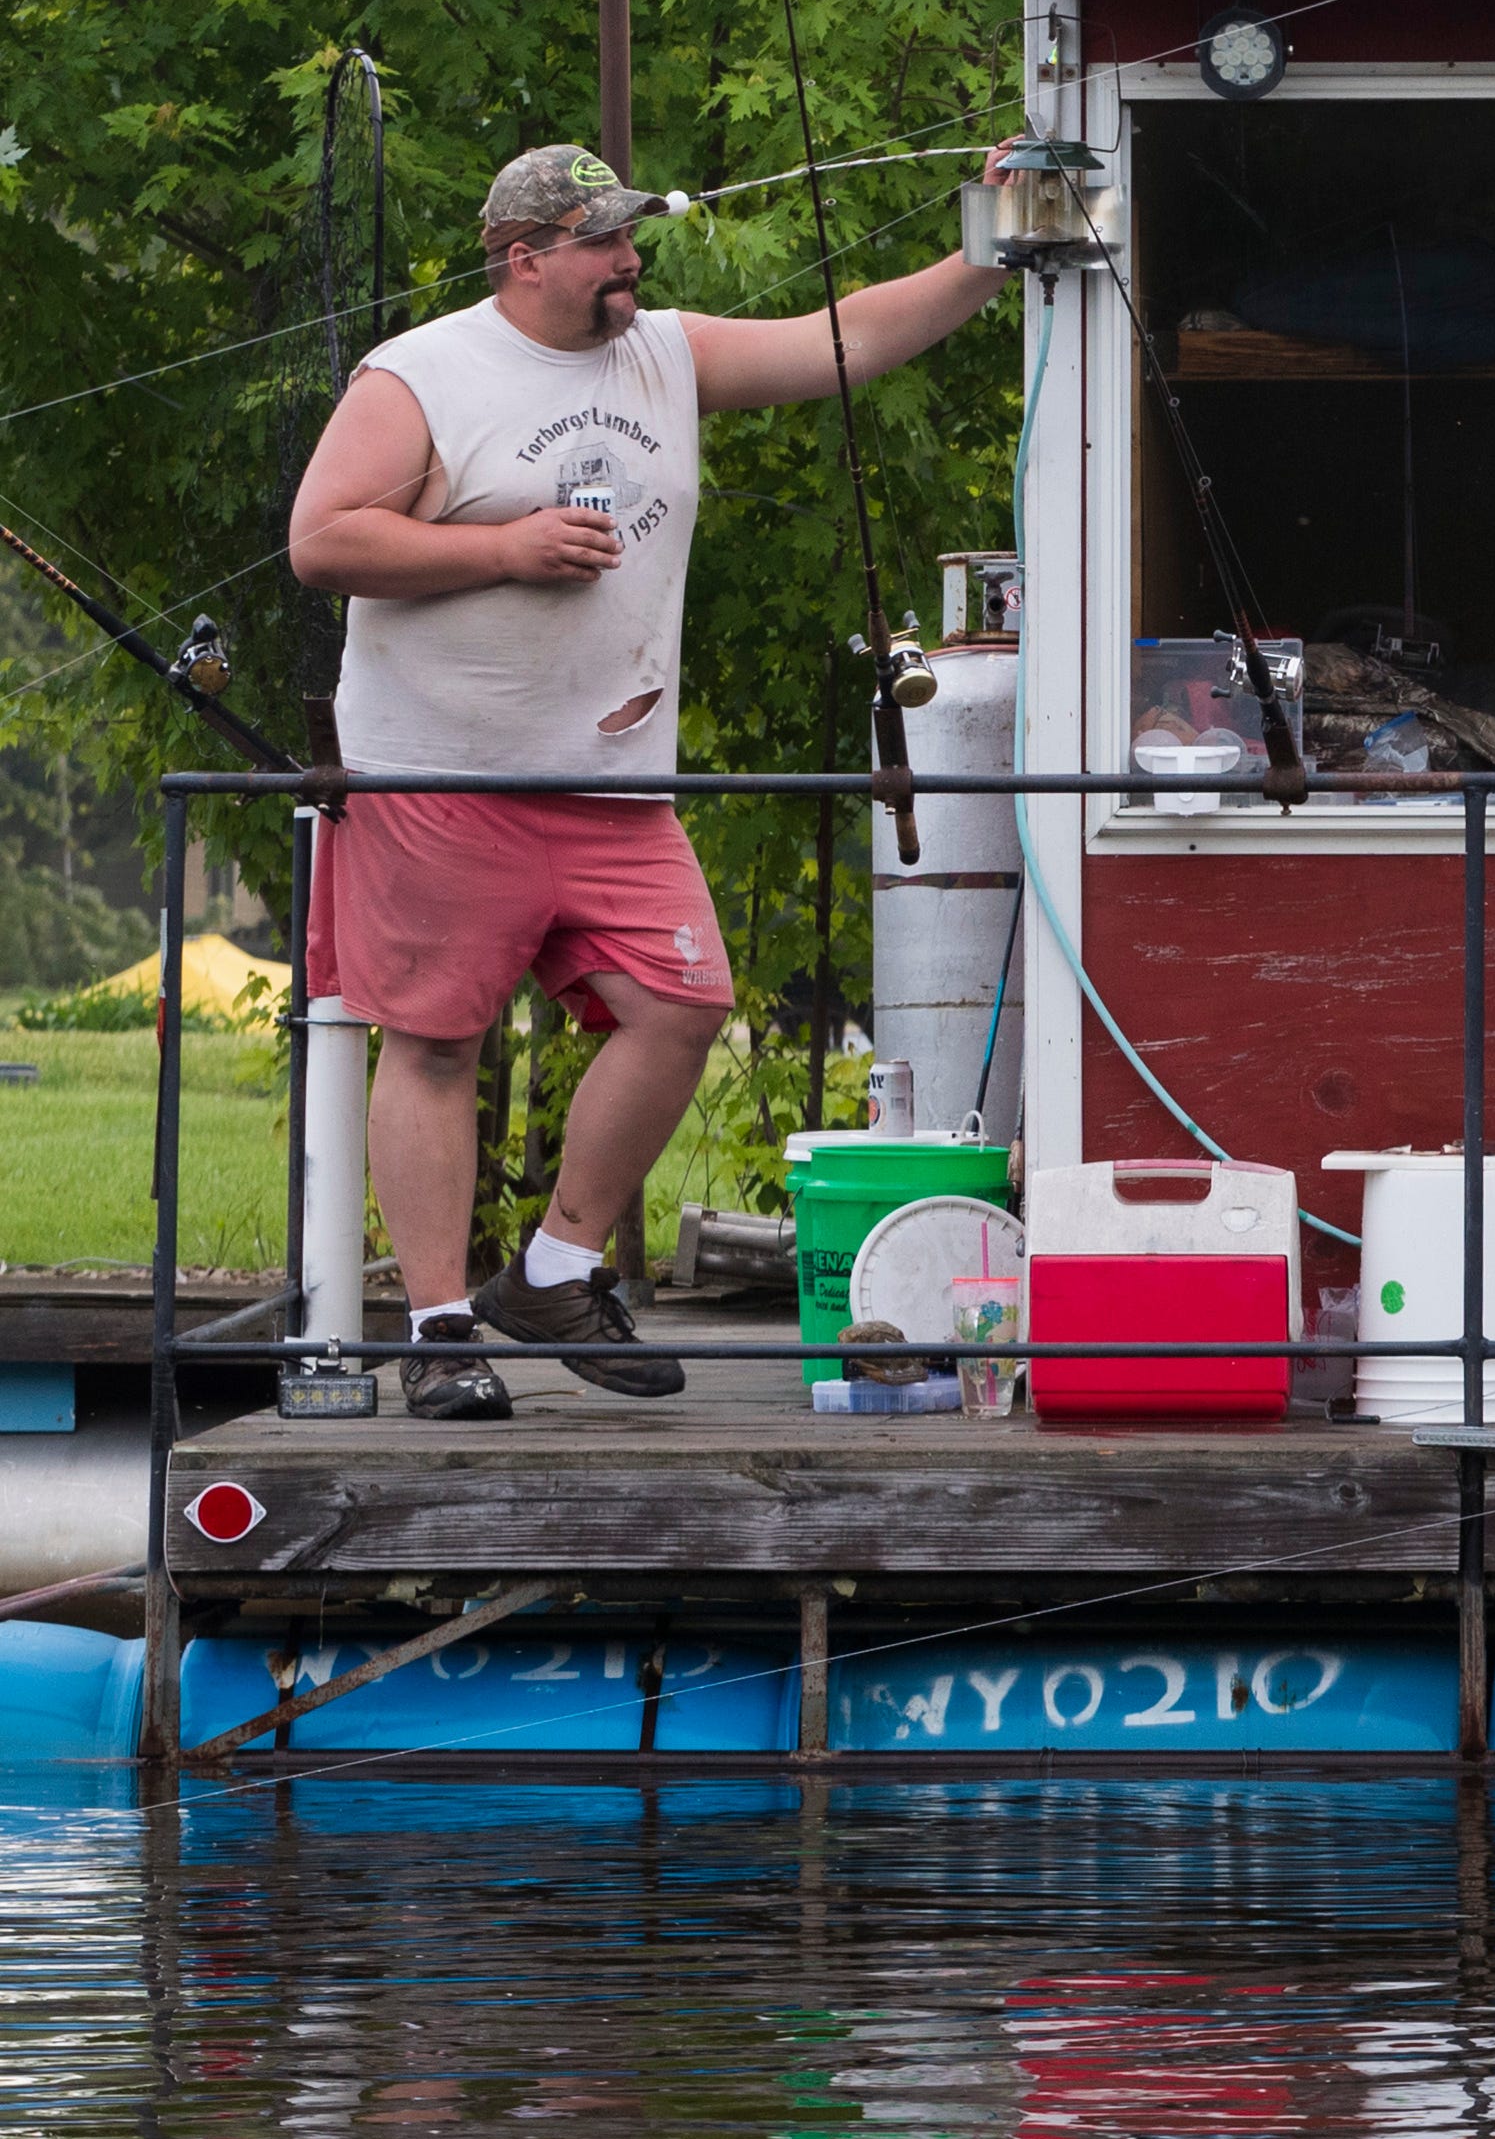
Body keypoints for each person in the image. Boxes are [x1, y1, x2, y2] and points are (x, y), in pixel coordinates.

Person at [287, 144, 1013, 1420]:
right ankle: (441, 1330)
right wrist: (504, 547)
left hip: (616, 778)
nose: (630, 260)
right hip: (440, 772)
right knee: (439, 1041)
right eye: (602, 240)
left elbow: (834, 342)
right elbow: (324, 538)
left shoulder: (662, 351)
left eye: (630, 236)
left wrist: (986, 252)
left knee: (683, 1005)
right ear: (523, 257)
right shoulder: (422, 374)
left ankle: (556, 1273)